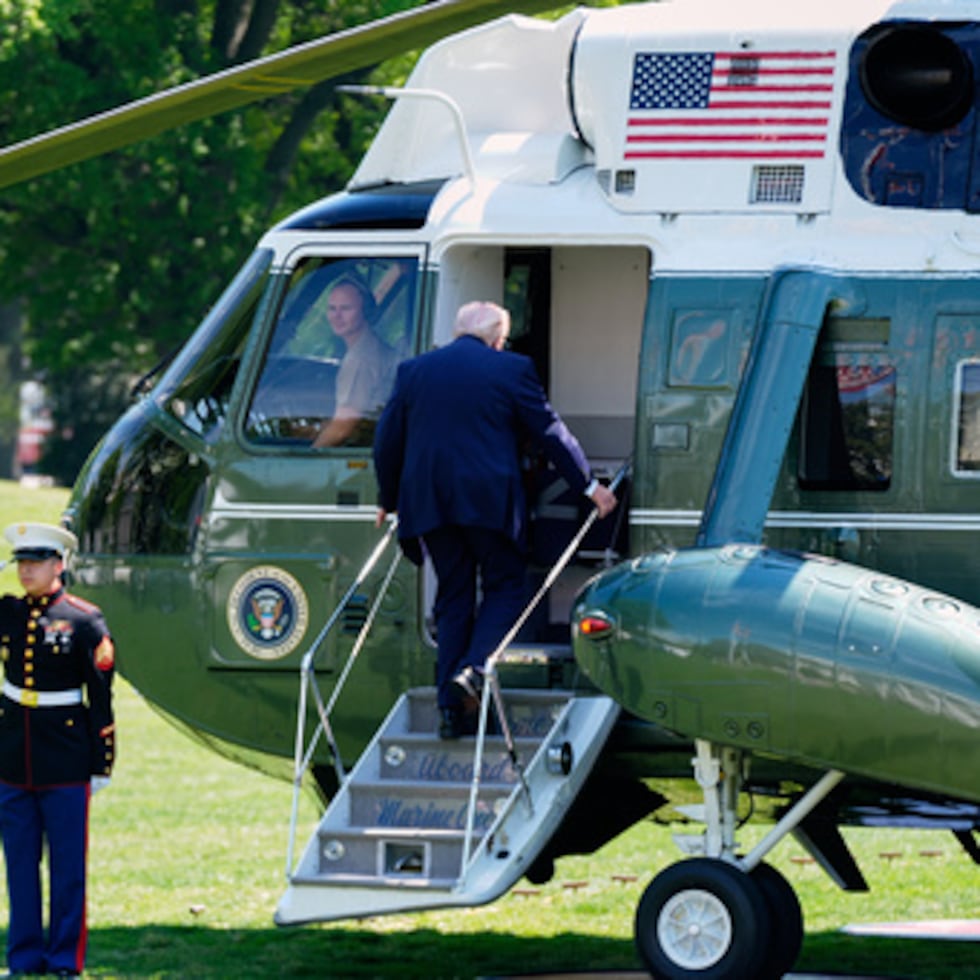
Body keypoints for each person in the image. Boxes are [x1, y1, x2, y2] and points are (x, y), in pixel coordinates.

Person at [373, 300, 617, 738]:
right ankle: (475, 666)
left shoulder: (414, 371)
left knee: (453, 597)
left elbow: (387, 441)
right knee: (506, 585)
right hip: (489, 503)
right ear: (498, 339)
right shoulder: (512, 369)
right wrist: (589, 486)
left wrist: (388, 499)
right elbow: (549, 431)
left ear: (457, 330)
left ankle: (450, 714)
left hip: (431, 505)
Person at [0, 522, 115, 977]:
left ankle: (64, 959)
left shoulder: (85, 620)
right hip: (12, 756)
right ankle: (25, 958)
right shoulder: (7, 613)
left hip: (66, 757)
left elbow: (101, 697)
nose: (25, 571)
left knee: (67, 868)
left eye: (35, 563)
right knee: (19, 866)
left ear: (59, 564)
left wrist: (102, 762)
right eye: (21, 563)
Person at [312, 277, 399, 448]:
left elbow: (342, 429)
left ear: (365, 312)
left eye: (345, 308)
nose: (337, 316)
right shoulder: (371, 345)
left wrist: (307, 457)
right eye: (332, 309)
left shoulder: (360, 359)